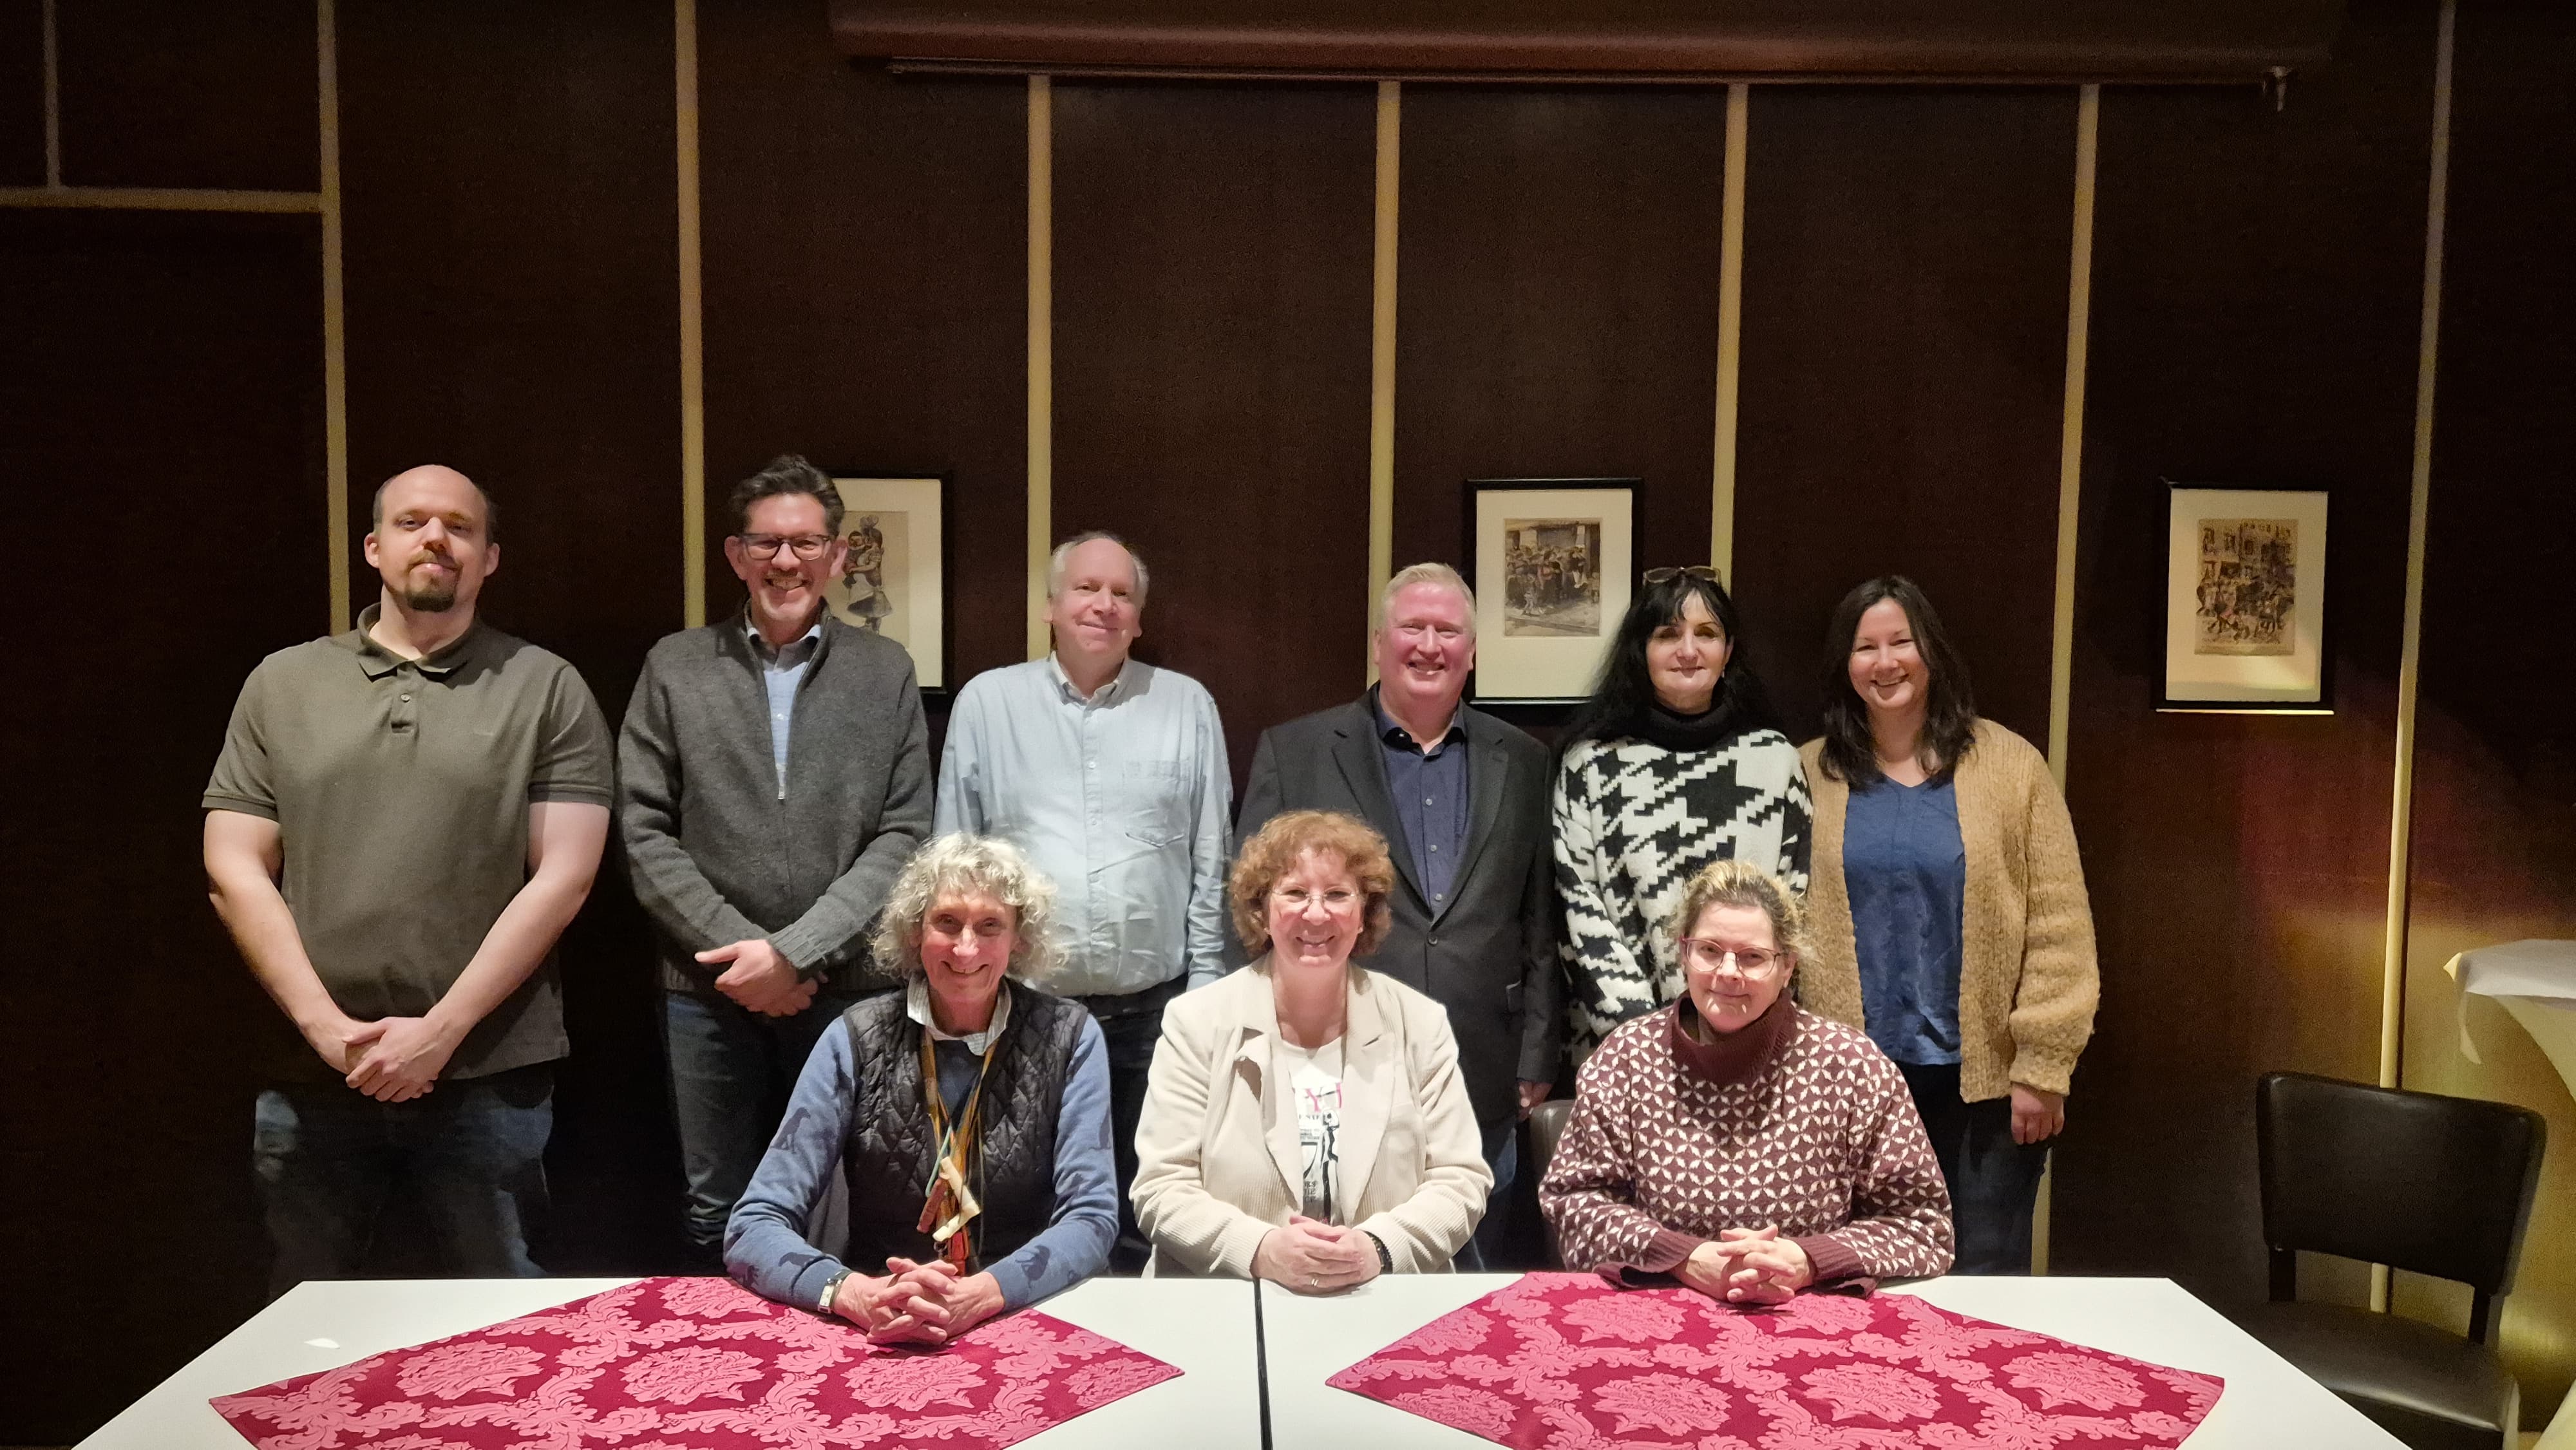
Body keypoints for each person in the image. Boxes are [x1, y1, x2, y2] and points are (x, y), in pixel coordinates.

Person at [204, 465, 612, 1291]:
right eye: (413, 522)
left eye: (460, 527)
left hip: (488, 1070)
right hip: (314, 1071)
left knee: (500, 1316)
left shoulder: (547, 686)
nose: (436, 539)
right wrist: (325, 1028)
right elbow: (232, 865)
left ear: (489, 557)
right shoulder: (282, 682)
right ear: (372, 547)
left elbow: (564, 877)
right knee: (303, 1318)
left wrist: (439, 1033)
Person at [620, 455, 933, 1264]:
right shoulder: (674, 666)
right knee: (714, 1207)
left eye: (805, 543)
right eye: (766, 543)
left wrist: (795, 953)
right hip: (707, 990)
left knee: (852, 1200)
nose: (785, 561)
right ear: (736, 554)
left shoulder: (886, 670)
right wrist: (748, 957)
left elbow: (904, 834)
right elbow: (644, 829)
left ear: (837, 555)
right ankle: (716, 1347)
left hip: (848, 987)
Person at [1232, 561, 1556, 1265]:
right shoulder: (1297, 750)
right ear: (1379, 643)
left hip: (1483, 1065)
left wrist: (1537, 1050)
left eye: (1448, 631)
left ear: (1473, 651)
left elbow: (1539, 921)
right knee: (1341, 1265)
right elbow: (1254, 912)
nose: (1430, 646)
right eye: (1413, 627)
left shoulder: (1525, 759)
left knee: (1471, 1269)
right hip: (1329, 1059)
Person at [935, 531, 1231, 1269]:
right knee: (1020, 1209)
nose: (1104, 604)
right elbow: (954, 860)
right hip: (1023, 1012)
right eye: (1087, 588)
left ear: (1138, 617)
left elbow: (1212, 859)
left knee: (1148, 1210)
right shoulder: (988, 703)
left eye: (1121, 593)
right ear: (1050, 606)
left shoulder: (1187, 705)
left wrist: (1204, 998)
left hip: (1155, 1015)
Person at [1799, 575, 2099, 1276]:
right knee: (1858, 1279)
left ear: (1931, 650)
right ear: (1845, 663)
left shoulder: (2011, 766)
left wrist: (2043, 1065)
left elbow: (2059, 924)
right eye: (1865, 647)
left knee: (1984, 1282)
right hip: (1850, 1089)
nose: (1885, 662)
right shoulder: (1809, 770)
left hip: (1986, 1088)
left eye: (1901, 642)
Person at [727, 834, 1115, 1342]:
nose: (966, 948)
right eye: (947, 922)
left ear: (1019, 938)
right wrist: (854, 1294)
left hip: (1023, 1313)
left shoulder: (1071, 1036)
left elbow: (1092, 1218)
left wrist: (982, 1295)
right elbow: (753, 1224)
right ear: (915, 932)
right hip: (880, 1315)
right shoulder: (854, 1038)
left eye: (990, 925)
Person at [1541, 860, 1953, 1299]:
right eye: (1709, 950)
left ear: (1787, 966)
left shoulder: (1853, 1067)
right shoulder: (1626, 1059)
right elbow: (1575, 1205)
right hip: (1660, 1308)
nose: (1728, 972)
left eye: (1753, 957)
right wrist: (1684, 1259)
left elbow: (1924, 1227)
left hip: (1810, 1311)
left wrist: (1808, 1260)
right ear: (1683, 954)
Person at [1133, 811, 1491, 1288]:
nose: (1317, 914)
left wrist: (1377, 1248)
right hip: (1231, 1298)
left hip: (1383, 1296)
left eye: (1338, 894)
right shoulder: (1195, 1022)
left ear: (1365, 913)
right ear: (1261, 910)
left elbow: (1460, 1180)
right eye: (1296, 893)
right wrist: (1260, 1250)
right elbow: (1161, 1188)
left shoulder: (1420, 1023)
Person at [1555, 567, 1810, 1059]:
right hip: (1624, 1053)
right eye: (1668, 634)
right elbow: (1580, 915)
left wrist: (1734, 1029)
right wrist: (1649, 1044)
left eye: (1706, 634)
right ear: (1641, 650)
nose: (1688, 650)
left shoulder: (1775, 762)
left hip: (1751, 1044)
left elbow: (1791, 912)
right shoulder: (1590, 766)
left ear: (1728, 651)